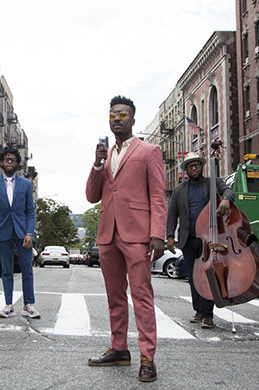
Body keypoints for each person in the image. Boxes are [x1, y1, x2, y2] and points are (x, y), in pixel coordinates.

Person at [85, 95, 166, 382]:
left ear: (132, 119)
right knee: (114, 296)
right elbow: (92, 196)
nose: (116, 118)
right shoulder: (105, 156)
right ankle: (119, 349)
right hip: (108, 233)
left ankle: (148, 357)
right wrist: (96, 166)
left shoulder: (149, 151)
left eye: (122, 114)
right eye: (112, 115)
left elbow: (158, 195)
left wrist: (158, 233)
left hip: (137, 234)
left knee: (141, 295)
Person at [166, 152, 234, 329]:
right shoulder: (179, 190)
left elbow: (228, 190)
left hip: (210, 238)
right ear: (186, 170)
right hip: (188, 239)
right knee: (192, 277)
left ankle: (207, 315)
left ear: (202, 166)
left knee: (207, 275)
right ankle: (198, 310)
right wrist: (170, 236)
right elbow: (172, 214)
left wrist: (226, 200)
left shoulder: (212, 183)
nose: (194, 168)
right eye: (190, 166)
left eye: (197, 165)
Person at [0, 146, 39, 319]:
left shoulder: (25, 184)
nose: (10, 162)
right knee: (6, 270)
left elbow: (30, 211)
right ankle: (8, 305)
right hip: (3, 233)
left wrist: (29, 233)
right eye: (6, 159)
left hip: (22, 232)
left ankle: (28, 305)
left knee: (27, 269)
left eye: (13, 159)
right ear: (1, 162)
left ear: (17, 163)